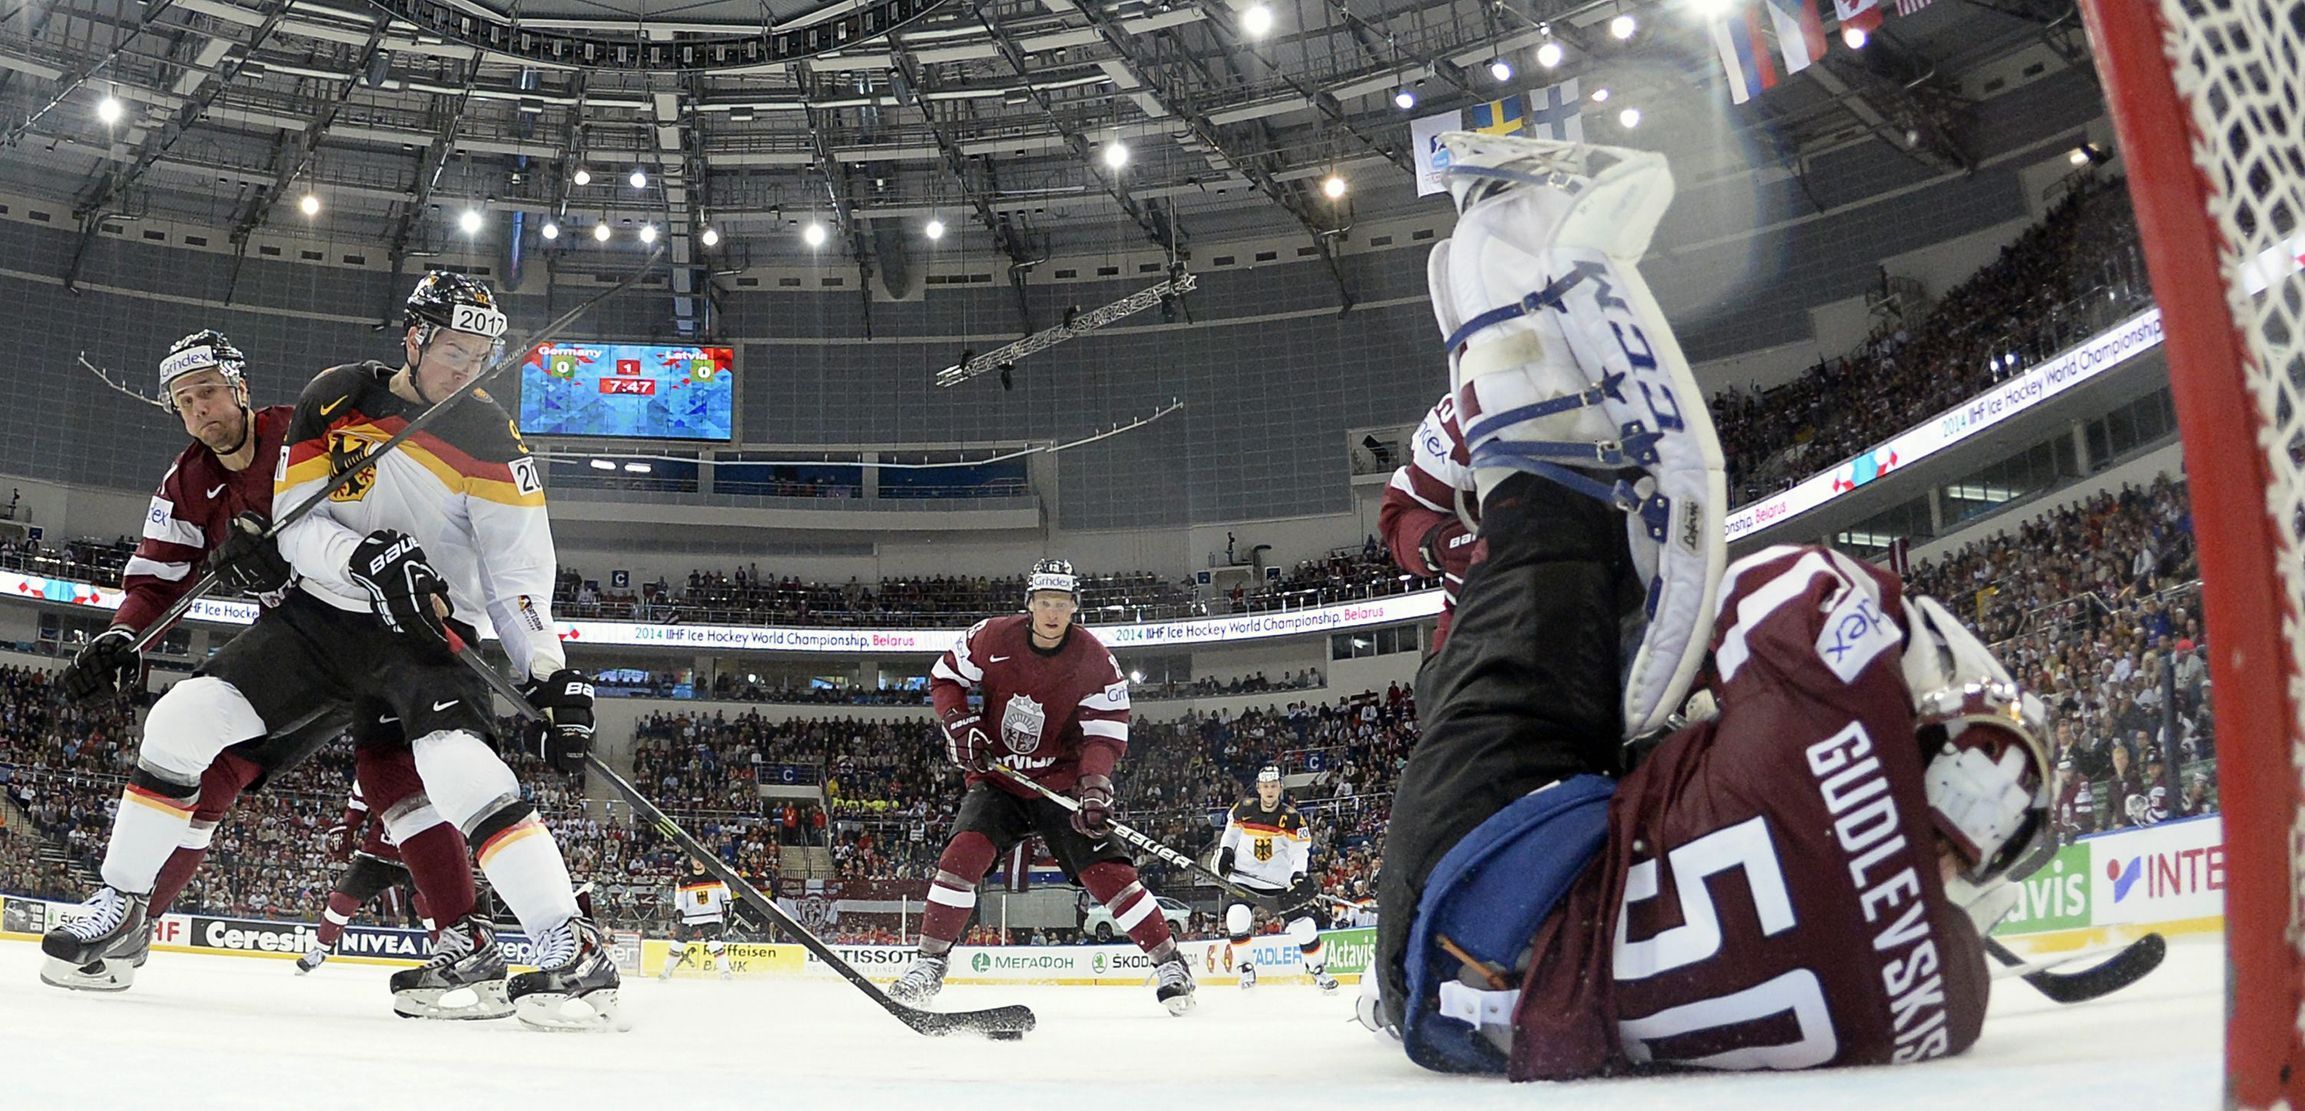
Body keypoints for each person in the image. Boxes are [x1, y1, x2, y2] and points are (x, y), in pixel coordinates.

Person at [1361, 135, 2049, 1080]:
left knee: (1549, 503)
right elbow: (1405, 520)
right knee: (1604, 672)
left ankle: (1503, 226)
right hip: (1487, 991)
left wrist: (1888, 654)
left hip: (1490, 823)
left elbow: (1773, 595)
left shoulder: (1837, 736)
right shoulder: (1945, 1000)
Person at [45, 273, 614, 1029]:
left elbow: (518, 574)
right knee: (180, 719)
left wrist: (548, 670)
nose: (463, 369)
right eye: (451, 349)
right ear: (412, 338)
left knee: (448, 763)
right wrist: (363, 561)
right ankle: (120, 905)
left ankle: (569, 947)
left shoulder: (493, 441)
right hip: (319, 618)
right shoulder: (333, 396)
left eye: (479, 355)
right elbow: (301, 525)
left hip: (422, 634)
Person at [39, 331, 477, 998]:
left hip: (372, 623)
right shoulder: (185, 482)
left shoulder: (304, 432)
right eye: (185, 400)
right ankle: (128, 925)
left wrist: (298, 553)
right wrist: (119, 638)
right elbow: (155, 581)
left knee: (393, 778)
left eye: (208, 391)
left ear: (240, 389)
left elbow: (379, 506)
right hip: (295, 649)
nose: (199, 409)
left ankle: (469, 940)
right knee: (209, 774)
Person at [889, 558, 1195, 1014]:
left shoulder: (1094, 661)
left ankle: (1169, 962)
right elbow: (945, 678)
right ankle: (930, 963)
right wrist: (960, 724)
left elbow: (1105, 730)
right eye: (1045, 602)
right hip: (1001, 779)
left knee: (1107, 874)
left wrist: (1094, 785)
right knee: (960, 858)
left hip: (1062, 783)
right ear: (1029, 604)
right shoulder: (991, 637)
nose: (1053, 612)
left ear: (1075, 608)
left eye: (1062, 604)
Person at [296, 774, 438, 973]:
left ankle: (444, 953)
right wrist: (347, 826)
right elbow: (357, 805)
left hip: (416, 853)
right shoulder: (374, 771)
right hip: (376, 853)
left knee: (430, 909)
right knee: (341, 900)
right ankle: (320, 950)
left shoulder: (433, 774)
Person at [1216, 764, 1337, 993]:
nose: (1269, 790)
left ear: (1280, 788)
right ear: (1259, 788)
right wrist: (1226, 852)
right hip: (1244, 878)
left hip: (1279, 882)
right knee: (1236, 917)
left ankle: (1318, 970)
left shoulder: (1292, 818)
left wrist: (1298, 873)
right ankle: (1245, 968)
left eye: (1273, 786)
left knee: (1304, 926)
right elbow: (1231, 832)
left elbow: (1299, 850)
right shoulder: (1244, 808)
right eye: (1265, 786)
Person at [660, 859, 731, 981]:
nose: (698, 862)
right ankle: (666, 972)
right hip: (690, 918)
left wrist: (728, 904)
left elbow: (725, 892)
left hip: (711, 917)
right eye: (695, 860)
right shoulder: (684, 880)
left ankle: (726, 973)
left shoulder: (715, 877)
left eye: (700, 859)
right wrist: (679, 910)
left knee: (715, 944)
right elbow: (680, 899)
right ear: (691, 861)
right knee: (677, 945)